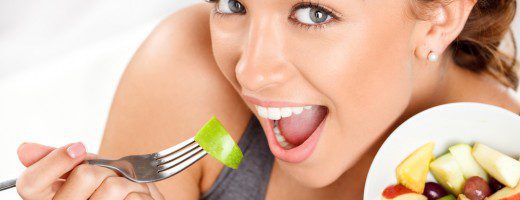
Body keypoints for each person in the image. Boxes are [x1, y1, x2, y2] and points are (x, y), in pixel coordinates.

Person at [15, 0, 520, 199]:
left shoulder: (504, 173)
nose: (250, 71)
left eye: (315, 13)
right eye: (232, 3)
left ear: (439, 19)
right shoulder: (194, 77)